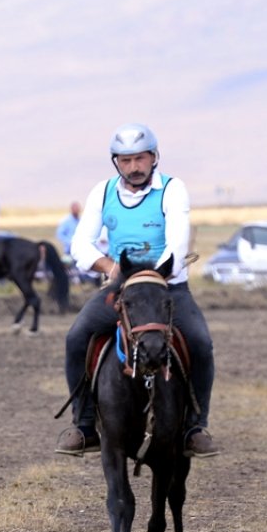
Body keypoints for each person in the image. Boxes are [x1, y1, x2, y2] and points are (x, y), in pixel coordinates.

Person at [55, 123, 221, 459]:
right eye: (126, 160)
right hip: (120, 289)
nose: (134, 167)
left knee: (201, 343)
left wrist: (144, 273)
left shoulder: (173, 190)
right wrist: (108, 267)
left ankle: (194, 427)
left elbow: (175, 245)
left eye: (140, 158)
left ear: (154, 157)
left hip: (168, 287)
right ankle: (85, 426)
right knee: (76, 339)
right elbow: (80, 243)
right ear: (116, 162)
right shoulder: (102, 192)